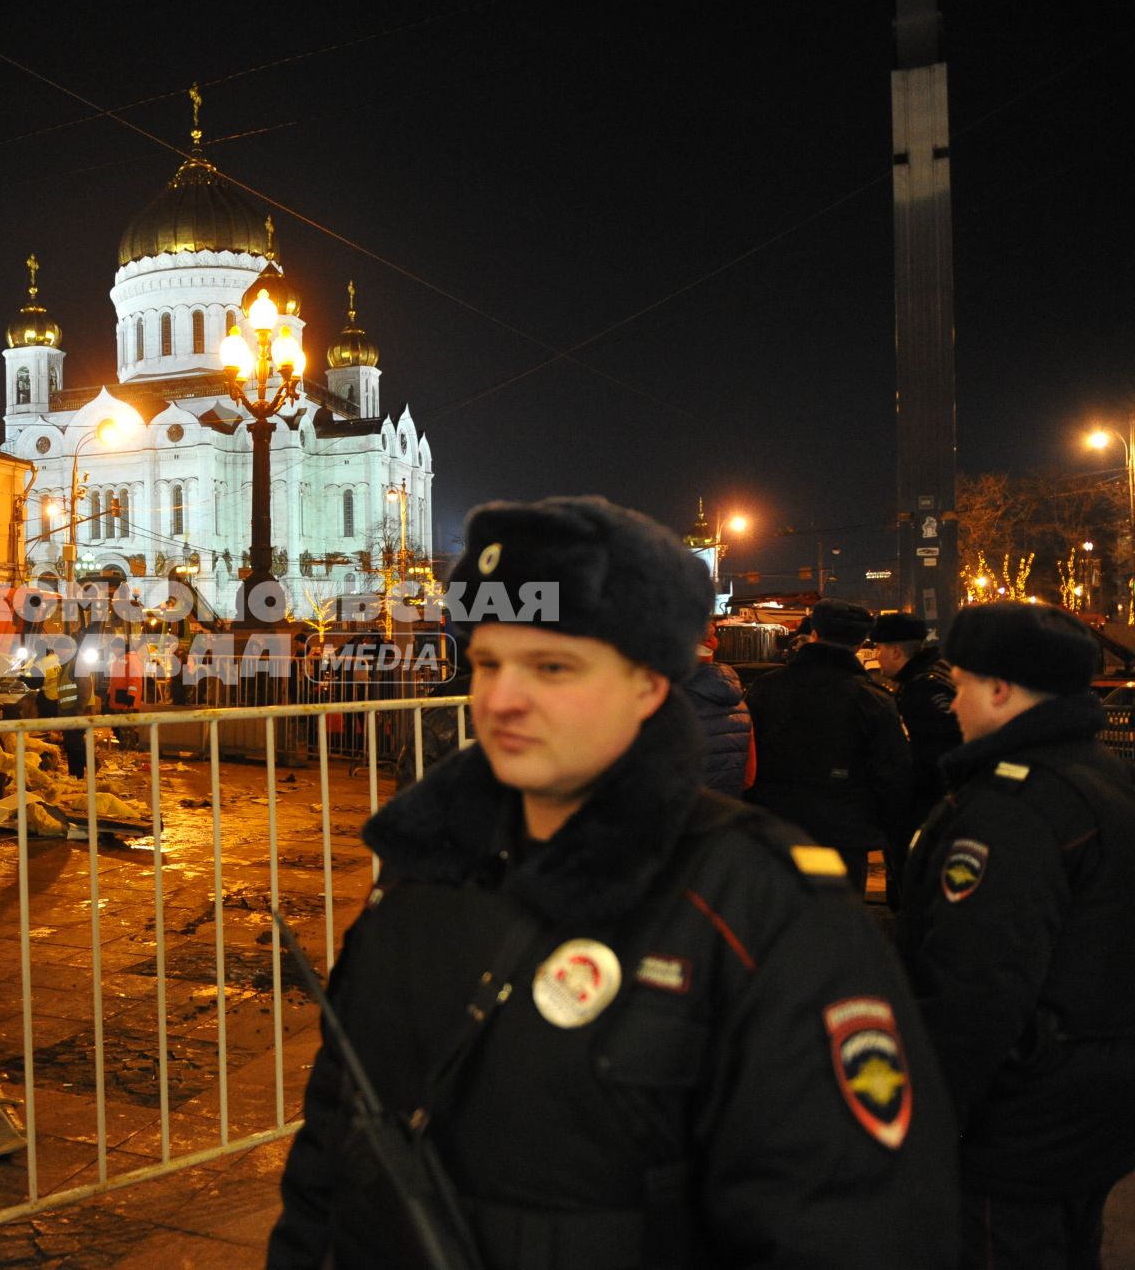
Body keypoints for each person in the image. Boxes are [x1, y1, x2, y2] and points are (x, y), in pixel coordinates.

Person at [268, 497, 956, 1270]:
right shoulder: (424, 867)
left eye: (552, 666)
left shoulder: (759, 904)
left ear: (649, 684)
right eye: (489, 662)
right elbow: (333, 1144)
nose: (502, 698)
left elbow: (861, 1223)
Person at [896, 601, 1135, 1270]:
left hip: (1014, 1130)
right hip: (1087, 1111)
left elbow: (975, 992)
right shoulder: (1097, 774)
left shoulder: (1011, 810)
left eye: (961, 684)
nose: (954, 704)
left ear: (1000, 691)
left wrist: (917, 1126)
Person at [744, 598, 911, 896]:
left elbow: (745, 757)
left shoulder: (766, 687)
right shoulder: (872, 700)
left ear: (815, 634)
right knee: (836, 926)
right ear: (860, 645)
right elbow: (893, 777)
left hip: (774, 831)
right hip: (844, 838)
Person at [871, 611, 961, 908]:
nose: (876, 656)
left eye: (880, 649)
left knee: (916, 895)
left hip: (922, 814)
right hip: (931, 811)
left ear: (896, 651)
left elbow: (932, 757)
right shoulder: (932, 676)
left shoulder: (924, 689)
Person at [681, 622, 754, 797]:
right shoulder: (740, 705)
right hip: (722, 812)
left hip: (676, 813)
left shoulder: (669, 701)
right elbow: (748, 778)